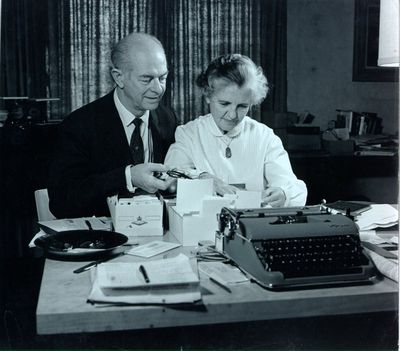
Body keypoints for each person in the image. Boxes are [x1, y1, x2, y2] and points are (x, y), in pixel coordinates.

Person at [48, 33, 178, 218]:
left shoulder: (168, 118)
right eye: (146, 79)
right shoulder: (79, 125)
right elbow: (62, 202)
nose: (158, 89)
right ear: (119, 77)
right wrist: (127, 177)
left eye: (162, 77)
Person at [165, 54, 307, 207]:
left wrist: (283, 194)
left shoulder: (265, 137)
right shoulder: (189, 134)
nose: (232, 115)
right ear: (207, 95)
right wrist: (203, 179)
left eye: (242, 106)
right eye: (224, 104)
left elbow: (292, 186)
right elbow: (170, 177)